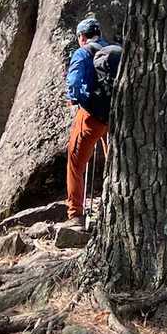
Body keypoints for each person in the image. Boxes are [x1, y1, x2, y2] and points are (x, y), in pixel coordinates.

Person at [65, 16, 111, 230]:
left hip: (91, 116)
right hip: (115, 116)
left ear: (82, 37)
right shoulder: (113, 51)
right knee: (113, 162)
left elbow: (74, 83)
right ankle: (112, 208)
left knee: (75, 163)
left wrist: (80, 99)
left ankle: (75, 215)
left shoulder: (82, 53)